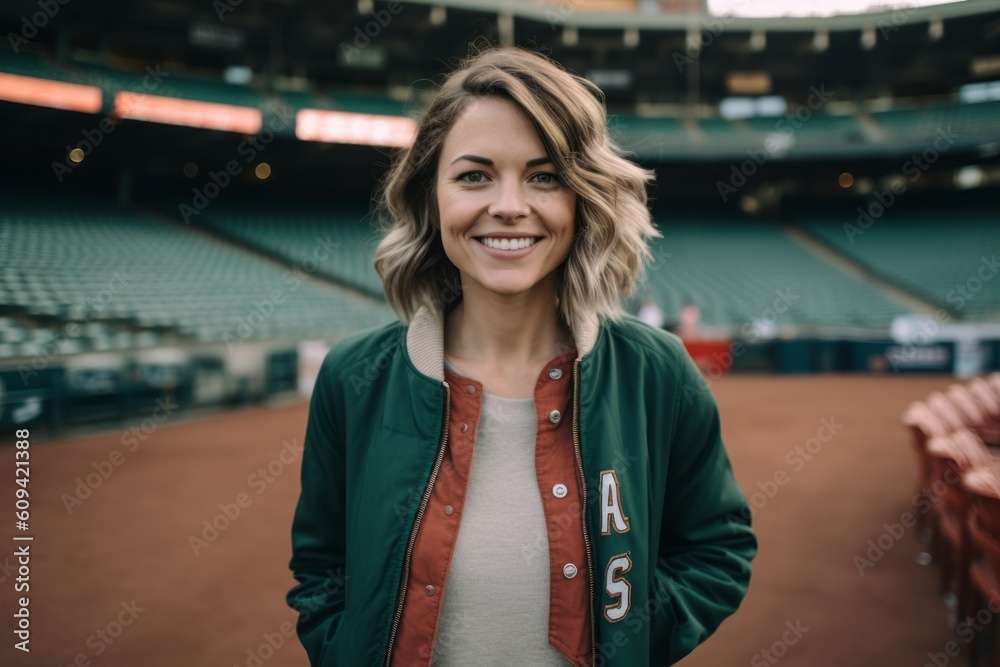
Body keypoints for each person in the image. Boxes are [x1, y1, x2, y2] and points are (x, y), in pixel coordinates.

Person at [286, 44, 757, 667]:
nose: (509, 204)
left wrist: (631, 635)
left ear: (582, 197)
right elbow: (321, 570)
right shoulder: (353, 376)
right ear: (432, 197)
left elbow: (717, 550)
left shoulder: (658, 371)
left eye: (544, 176)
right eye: (474, 175)